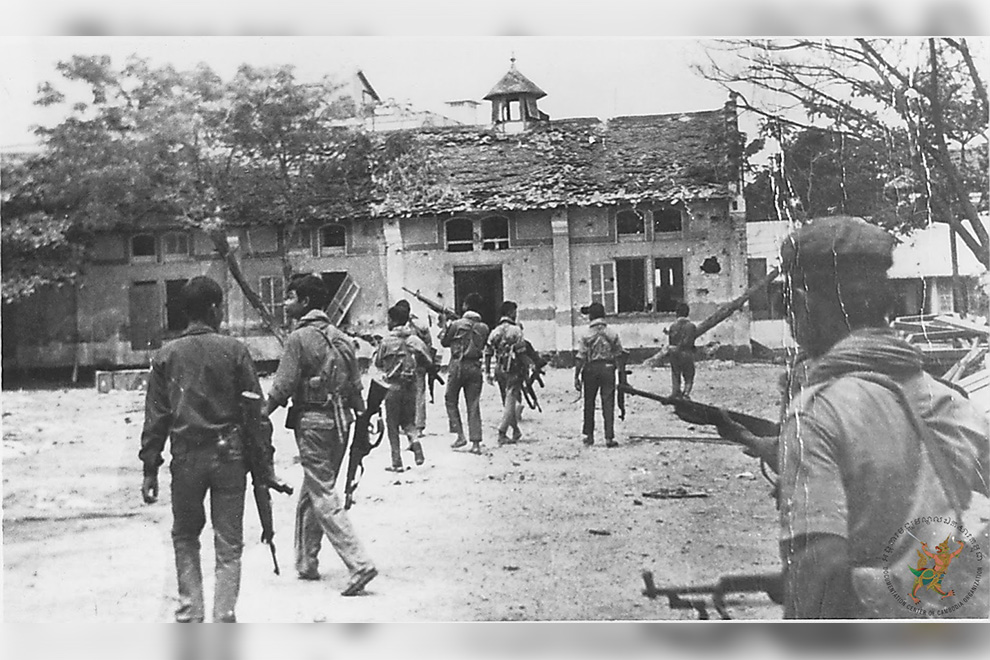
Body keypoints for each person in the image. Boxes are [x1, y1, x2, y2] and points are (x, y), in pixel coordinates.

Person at [717, 216, 989, 619]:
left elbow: (819, 582)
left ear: (804, 303)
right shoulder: (952, 401)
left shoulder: (818, 412)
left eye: (788, 302)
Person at [139, 276, 262, 623]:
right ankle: (224, 619)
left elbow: (156, 419)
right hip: (230, 457)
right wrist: (263, 465)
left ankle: (191, 615)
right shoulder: (235, 350)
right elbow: (256, 413)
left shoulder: (166, 356)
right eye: (220, 307)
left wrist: (150, 469)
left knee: (185, 536)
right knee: (229, 544)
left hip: (187, 459)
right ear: (213, 309)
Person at [263, 274, 378, 596]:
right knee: (313, 490)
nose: (285, 302)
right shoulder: (342, 338)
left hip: (313, 424)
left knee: (322, 492)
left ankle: (359, 563)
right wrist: (362, 421)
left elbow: (282, 387)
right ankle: (306, 561)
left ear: (305, 302)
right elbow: (356, 389)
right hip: (342, 424)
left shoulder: (298, 338)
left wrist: (259, 415)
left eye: (290, 297)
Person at [374, 304, 433, 471]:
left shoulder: (386, 341)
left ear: (393, 321)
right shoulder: (414, 340)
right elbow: (428, 359)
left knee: (392, 425)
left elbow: (378, 363)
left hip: (392, 387)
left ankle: (397, 462)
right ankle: (415, 442)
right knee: (409, 421)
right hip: (410, 386)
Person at [439, 292, 490, 454]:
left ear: (466, 306)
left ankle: (460, 435)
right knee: (473, 404)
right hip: (475, 366)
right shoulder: (484, 327)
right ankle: (476, 443)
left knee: (450, 399)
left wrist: (445, 325)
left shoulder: (457, 324)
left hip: (458, 365)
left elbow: (444, 342)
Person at [574, 302, 626, 448]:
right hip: (608, 369)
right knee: (608, 403)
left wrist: (576, 376)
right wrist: (621, 373)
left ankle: (589, 436)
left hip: (590, 369)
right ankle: (609, 437)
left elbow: (581, 357)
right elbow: (619, 354)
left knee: (589, 402)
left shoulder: (586, 334)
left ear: (591, 316)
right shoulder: (612, 333)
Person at [485, 300, 526, 445]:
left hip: (499, 368)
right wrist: (526, 368)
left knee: (507, 401)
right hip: (513, 367)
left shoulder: (495, 331)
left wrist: (488, 372)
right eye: (514, 312)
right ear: (510, 313)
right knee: (511, 400)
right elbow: (521, 352)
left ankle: (515, 430)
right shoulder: (516, 330)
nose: (516, 314)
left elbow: (488, 352)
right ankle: (502, 432)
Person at [393, 299, 436, 439]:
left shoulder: (400, 327)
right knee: (419, 393)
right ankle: (419, 426)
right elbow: (429, 344)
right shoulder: (420, 324)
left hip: (405, 364)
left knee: (406, 394)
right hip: (420, 363)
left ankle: (407, 424)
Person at [666, 303, 697, 398]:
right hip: (686, 353)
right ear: (687, 313)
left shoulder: (673, 326)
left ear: (677, 313)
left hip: (674, 353)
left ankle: (676, 392)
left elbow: (671, 341)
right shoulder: (691, 326)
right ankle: (686, 393)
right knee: (689, 375)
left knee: (675, 373)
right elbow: (690, 341)